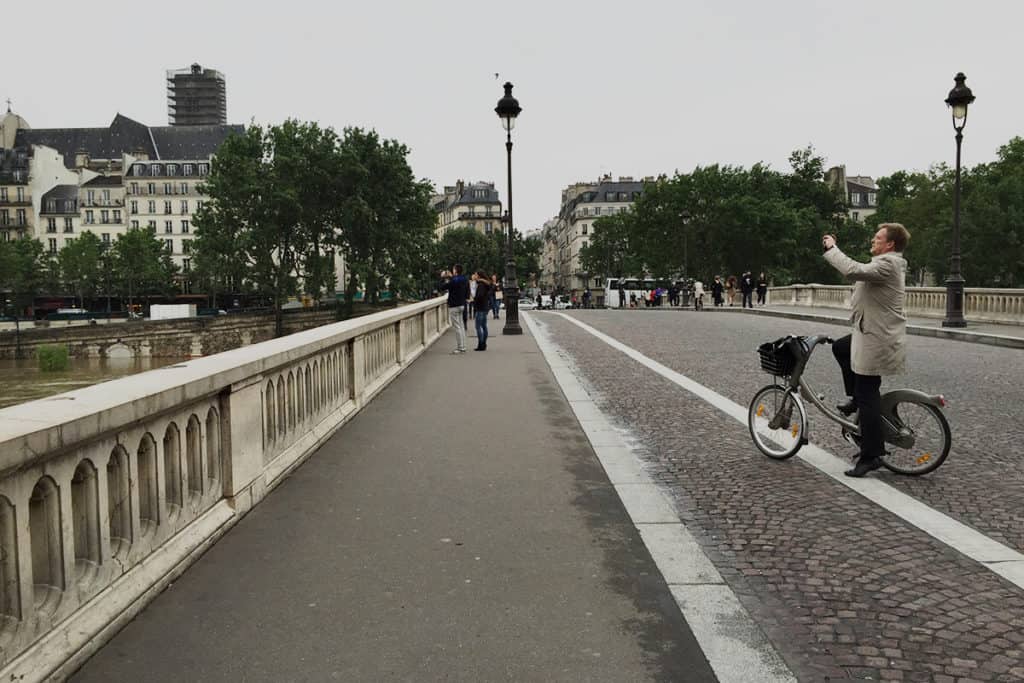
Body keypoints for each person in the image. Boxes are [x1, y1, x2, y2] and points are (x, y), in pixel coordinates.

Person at [823, 223, 910, 478]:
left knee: (868, 393)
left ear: (890, 244)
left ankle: (871, 455)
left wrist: (832, 248)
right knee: (840, 347)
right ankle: (855, 398)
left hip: (876, 339)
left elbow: (852, 270)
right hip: (869, 333)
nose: (873, 240)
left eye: (878, 237)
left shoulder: (888, 264)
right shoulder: (885, 263)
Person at [438, 265, 470, 354]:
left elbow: (442, 287)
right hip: (462, 304)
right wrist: (451, 277)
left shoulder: (454, 280)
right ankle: (463, 346)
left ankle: (460, 348)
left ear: (455, 271)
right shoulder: (464, 279)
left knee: (457, 327)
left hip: (454, 306)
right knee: (461, 326)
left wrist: (442, 277)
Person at [472, 270, 492, 351]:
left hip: (480, 307)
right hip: (485, 307)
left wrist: (474, 300)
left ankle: (481, 344)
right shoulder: (486, 284)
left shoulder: (480, 285)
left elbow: (479, 296)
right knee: (484, 326)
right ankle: (484, 343)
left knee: (478, 326)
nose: (474, 276)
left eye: (476, 275)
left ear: (479, 276)